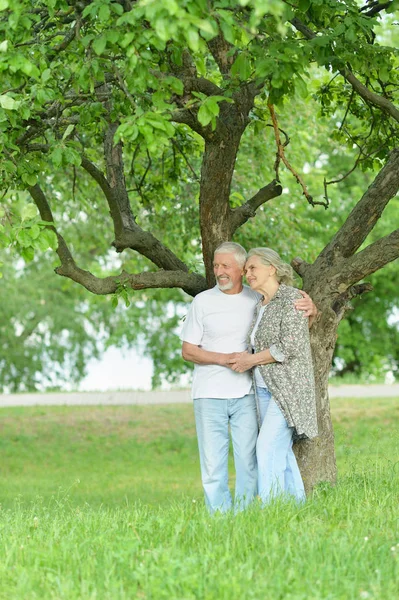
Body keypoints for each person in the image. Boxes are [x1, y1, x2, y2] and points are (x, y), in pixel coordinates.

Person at [181, 242, 316, 513]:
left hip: (251, 393)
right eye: (215, 266)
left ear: (242, 270)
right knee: (213, 464)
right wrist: (226, 359)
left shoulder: (260, 299)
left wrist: (313, 308)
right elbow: (187, 350)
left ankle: (254, 514)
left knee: (254, 458)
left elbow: (293, 336)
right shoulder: (206, 301)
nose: (219, 271)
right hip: (213, 394)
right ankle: (220, 517)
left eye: (226, 266)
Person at [228, 248, 318, 504]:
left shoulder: (292, 298)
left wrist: (250, 360)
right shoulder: (259, 306)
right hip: (264, 388)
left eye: (252, 268)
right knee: (281, 451)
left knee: (266, 447)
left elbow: (290, 346)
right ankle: (296, 508)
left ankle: (271, 510)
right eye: (245, 270)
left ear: (272, 268)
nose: (247, 274)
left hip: (287, 390)